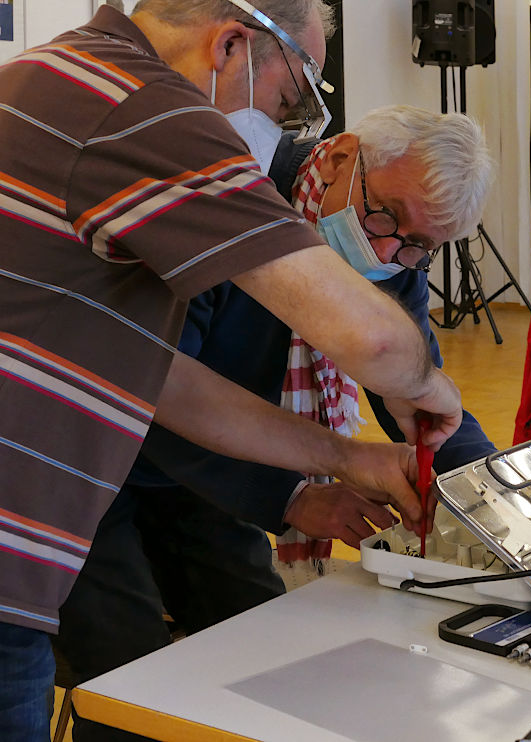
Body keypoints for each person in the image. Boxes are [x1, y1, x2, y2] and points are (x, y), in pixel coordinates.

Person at [0, 2, 465, 739]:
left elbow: (159, 378)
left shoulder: (59, 75)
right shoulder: (150, 113)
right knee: (132, 690)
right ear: (230, 47)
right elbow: (375, 346)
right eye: (290, 101)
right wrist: (428, 388)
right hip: (54, 508)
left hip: (60, 503)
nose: (282, 128)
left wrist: (349, 457)